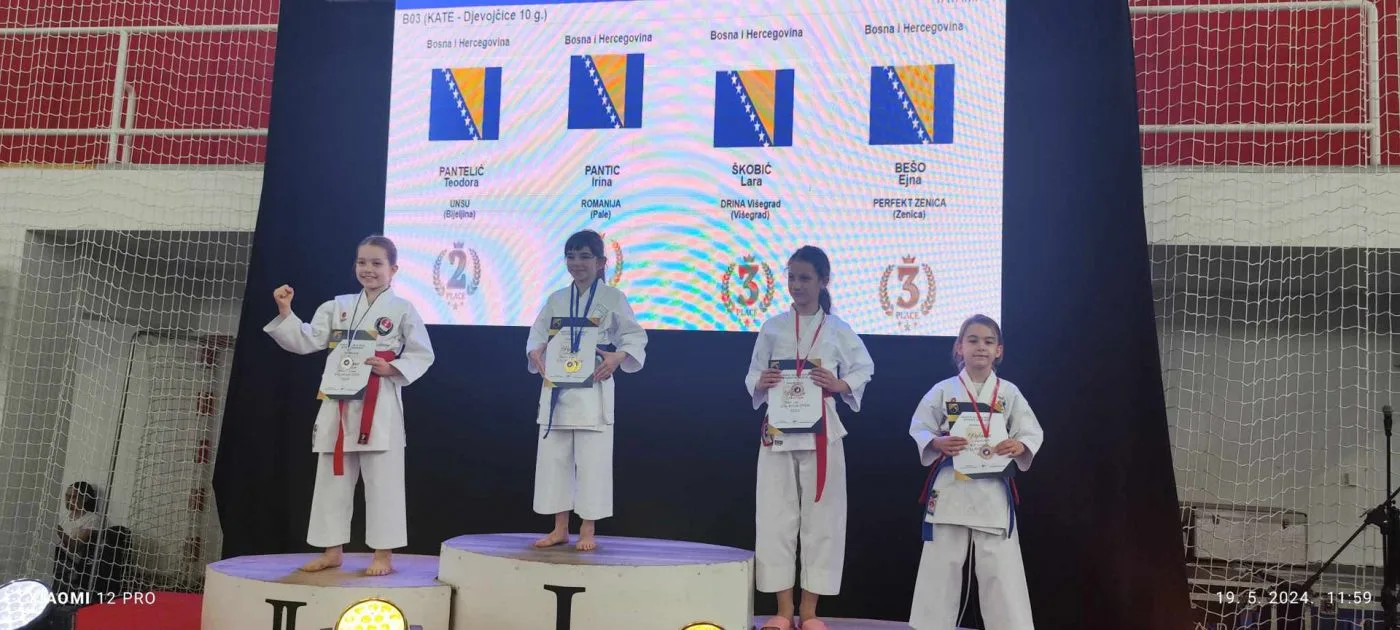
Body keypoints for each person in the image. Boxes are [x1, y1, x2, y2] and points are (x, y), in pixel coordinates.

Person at [264, 235, 435, 576]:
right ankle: (332, 551)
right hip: (338, 398)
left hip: (379, 402)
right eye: (362, 262)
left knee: (383, 482)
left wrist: (392, 368)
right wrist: (286, 312)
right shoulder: (337, 305)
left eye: (377, 263)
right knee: (331, 479)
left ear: (394, 269)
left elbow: (422, 353)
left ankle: (383, 555)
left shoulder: (403, 309)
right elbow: (307, 339)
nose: (368, 269)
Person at [746, 245, 874, 630]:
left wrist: (839, 384)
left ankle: (810, 612)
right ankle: (783, 611)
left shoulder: (837, 329)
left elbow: (864, 368)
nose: (796, 285)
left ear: (823, 281)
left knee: (823, 519)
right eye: (791, 278)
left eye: (805, 278)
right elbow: (753, 374)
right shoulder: (772, 327)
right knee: (775, 517)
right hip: (778, 432)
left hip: (822, 433)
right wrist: (763, 381)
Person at [907, 314, 1043, 629]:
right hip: (952, 486)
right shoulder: (943, 390)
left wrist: (1019, 445)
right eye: (973, 340)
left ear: (999, 351)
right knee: (940, 567)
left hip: (992, 488)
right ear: (959, 347)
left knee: (1002, 571)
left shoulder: (1008, 392)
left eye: (988, 341)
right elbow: (919, 427)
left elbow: (1031, 431)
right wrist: (936, 442)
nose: (981, 347)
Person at [526, 229, 648, 552]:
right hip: (558, 388)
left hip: (593, 386)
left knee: (592, 462)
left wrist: (617, 357)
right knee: (554, 460)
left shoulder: (613, 298)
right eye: (571, 256)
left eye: (584, 256)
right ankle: (559, 528)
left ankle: (588, 529)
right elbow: (537, 334)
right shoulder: (556, 299)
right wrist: (535, 352)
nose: (577, 263)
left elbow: (635, 337)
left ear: (601, 262)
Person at [54, 481, 101, 592]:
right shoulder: (64, 517)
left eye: (73, 497)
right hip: (56, 555)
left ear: (85, 499)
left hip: (71, 562)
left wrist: (58, 530)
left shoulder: (93, 519)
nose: (68, 499)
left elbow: (74, 548)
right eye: (67, 496)